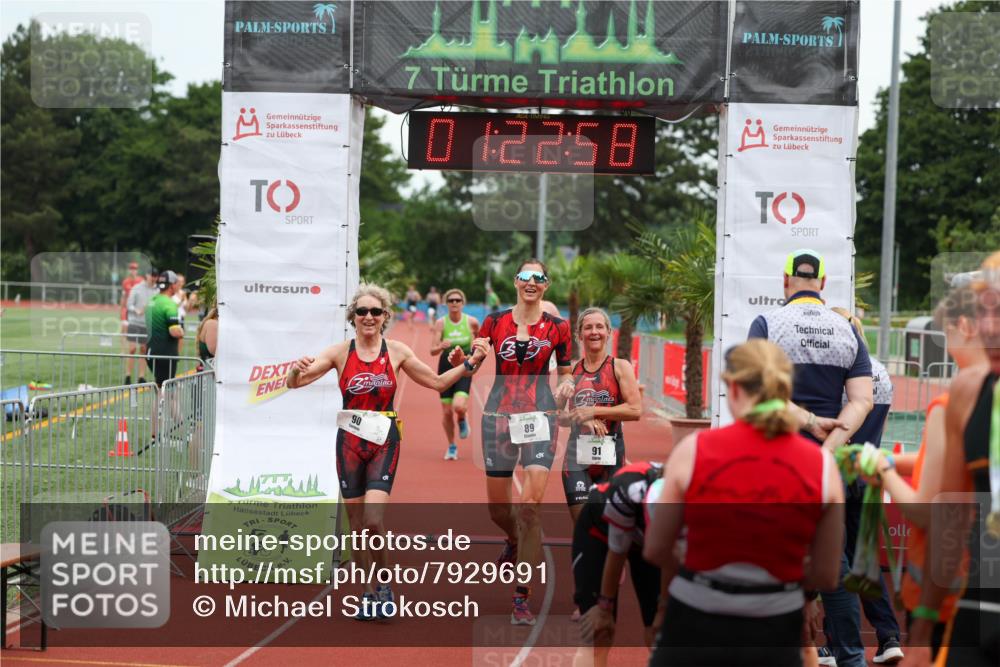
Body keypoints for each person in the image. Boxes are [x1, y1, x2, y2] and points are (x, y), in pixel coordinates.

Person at [287, 283, 487, 620]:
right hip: (349, 444)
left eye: (375, 311)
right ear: (353, 318)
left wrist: (471, 365)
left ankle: (384, 586)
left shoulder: (397, 352)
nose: (368, 316)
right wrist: (295, 369)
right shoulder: (339, 352)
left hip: (384, 442)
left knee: (374, 522)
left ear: (385, 317)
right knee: (356, 527)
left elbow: (438, 383)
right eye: (362, 311)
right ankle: (368, 594)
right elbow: (296, 383)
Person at [643, 339, 845, 666]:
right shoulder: (822, 466)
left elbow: (655, 548)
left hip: (695, 618)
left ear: (733, 388)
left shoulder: (694, 450)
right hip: (776, 624)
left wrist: (697, 559)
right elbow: (826, 574)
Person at [748, 248, 873, 667]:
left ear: (786, 282)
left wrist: (806, 420)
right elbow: (862, 400)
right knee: (832, 564)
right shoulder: (846, 328)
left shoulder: (768, 323)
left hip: (777, 460)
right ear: (822, 283)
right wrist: (830, 444)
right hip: (828, 465)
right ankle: (851, 658)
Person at [855, 286, 984, 661]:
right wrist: (893, 460)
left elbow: (926, 508)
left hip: (945, 586)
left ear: (965, 326)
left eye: (947, 335)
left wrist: (882, 472)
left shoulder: (950, 405)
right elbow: (952, 467)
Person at [898, 252, 1000, 667]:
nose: (990, 328)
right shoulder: (969, 392)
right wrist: (922, 626)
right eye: (984, 310)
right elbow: (952, 515)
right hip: (982, 607)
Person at [475, 258, 573, 625]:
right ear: (516, 281)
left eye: (539, 278)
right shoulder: (494, 321)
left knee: (530, 506)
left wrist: (567, 386)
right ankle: (514, 540)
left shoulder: (559, 328)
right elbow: (474, 357)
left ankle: (521, 597)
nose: (532, 282)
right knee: (498, 510)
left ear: (546, 285)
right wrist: (464, 359)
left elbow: (565, 373)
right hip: (497, 418)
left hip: (540, 418)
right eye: (526, 276)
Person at [829, 307, 904, 664]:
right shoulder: (882, 373)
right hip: (868, 472)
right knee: (864, 556)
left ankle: (832, 642)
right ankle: (888, 635)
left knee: (833, 554)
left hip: (840, 471)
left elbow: (840, 423)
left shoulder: (843, 374)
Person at [573, 461, 663, 667]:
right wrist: (604, 608)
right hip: (599, 531)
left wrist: (663, 609)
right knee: (598, 633)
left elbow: (671, 564)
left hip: (647, 542)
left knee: (661, 632)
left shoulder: (691, 500)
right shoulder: (629, 489)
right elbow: (617, 552)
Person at [558, 307, 641, 523]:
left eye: (599, 327)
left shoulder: (620, 367)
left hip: (612, 456)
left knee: (612, 527)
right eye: (588, 328)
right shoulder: (572, 372)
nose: (594, 332)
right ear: (579, 335)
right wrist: (580, 415)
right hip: (577, 457)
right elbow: (559, 417)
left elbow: (635, 410)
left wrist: (593, 410)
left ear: (609, 332)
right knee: (584, 525)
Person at [430, 288, 480, 461]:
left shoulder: (471, 322)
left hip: (463, 367)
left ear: (462, 303)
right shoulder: (441, 324)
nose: (454, 303)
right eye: (451, 300)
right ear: (446, 303)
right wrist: (441, 346)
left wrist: (471, 356)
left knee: (458, 406)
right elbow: (432, 350)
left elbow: (478, 346)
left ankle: (461, 417)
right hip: (444, 367)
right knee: (445, 412)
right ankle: (452, 446)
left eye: (458, 300)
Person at [145, 271, 185, 389]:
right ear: (172, 285)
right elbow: (175, 332)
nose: (178, 286)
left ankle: (158, 408)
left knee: (159, 387)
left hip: (151, 352)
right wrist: (182, 331)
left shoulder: (152, 301)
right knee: (168, 392)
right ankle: (167, 408)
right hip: (165, 354)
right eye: (177, 283)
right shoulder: (169, 304)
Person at [124, 268, 158, 384]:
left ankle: (141, 377)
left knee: (144, 350)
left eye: (155, 276)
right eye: (152, 275)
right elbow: (129, 304)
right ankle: (128, 376)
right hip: (134, 322)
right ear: (147, 275)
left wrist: (150, 307)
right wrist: (136, 310)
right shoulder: (137, 288)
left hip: (146, 324)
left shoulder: (157, 290)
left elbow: (156, 304)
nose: (153, 278)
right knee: (132, 349)